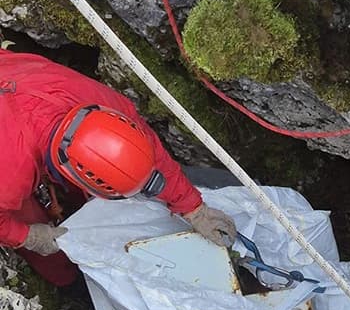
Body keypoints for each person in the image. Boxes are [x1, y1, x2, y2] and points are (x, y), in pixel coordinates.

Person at [0, 49, 236, 287]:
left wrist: (193, 208)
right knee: (40, 239)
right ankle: (68, 281)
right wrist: (27, 237)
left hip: (16, 77)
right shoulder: (10, 172)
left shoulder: (106, 106)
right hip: (9, 138)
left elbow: (150, 154)